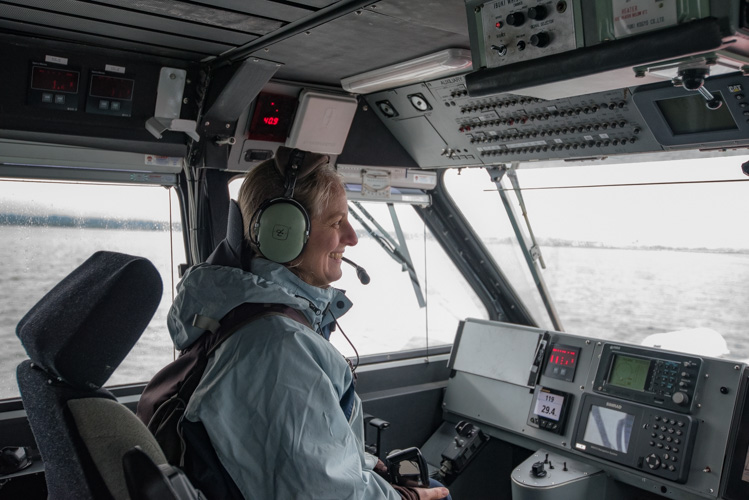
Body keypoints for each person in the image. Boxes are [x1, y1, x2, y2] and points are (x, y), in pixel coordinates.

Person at [168, 146, 450, 499]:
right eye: (336, 222)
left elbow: (288, 455)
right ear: (283, 231)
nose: (352, 237)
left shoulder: (242, 313)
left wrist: (361, 462)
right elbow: (323, 492)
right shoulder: (278, 346)